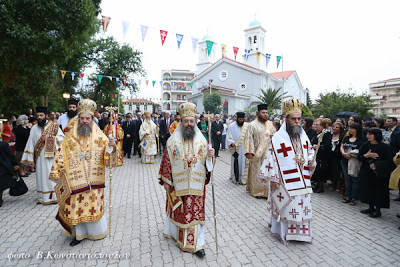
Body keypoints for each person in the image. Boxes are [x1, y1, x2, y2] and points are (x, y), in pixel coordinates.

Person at [49, 99, 117, 246]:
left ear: (93, 119)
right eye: (82, 118)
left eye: (88, 118)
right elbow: (61, 155)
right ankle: (78, 235)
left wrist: (112, 148)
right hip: (75, 181)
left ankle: (96, 232)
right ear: (78, 119)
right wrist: (57, 172)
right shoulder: (69, 138)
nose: (85, 121)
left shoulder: (101, 137)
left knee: (93, 205)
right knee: (76, 207)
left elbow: (109, 161)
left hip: (94, 181)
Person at [159, 102, 214, 257]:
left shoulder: (202, 140)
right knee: (180, 211)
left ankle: (197, 244)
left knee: (195, 213)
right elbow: (167, 161)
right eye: (186, 121)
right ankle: (176, 236)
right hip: (179, 185)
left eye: (191, 121)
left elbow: (208, 164)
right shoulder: (172, 141)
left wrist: (210, 157)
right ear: (181, 121)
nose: (189, 124)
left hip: (197, 186)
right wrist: (166, 180)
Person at [258, 99, 315, 244]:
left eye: (299, 119)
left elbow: (309, 152)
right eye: (293, 119)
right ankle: (283, 232)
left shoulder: (304, 136)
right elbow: (271, 158)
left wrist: (311, 160)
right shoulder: (277, 138)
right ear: (286, 119)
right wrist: (274, 179)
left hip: (302, 180)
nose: (297, 122)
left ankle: (300, 234)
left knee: (300, 207)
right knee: (286, 207)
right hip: (284, 180)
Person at [21, 107, 64, 204]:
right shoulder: (34, 128)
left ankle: (54, 197)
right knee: (41, 177)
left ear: (46, 116)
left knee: (51, 176)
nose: (39, 117)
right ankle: (42, 197)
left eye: (41, 115)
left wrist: (50, 138)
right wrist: (30, 160)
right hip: (40, 159)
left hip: (51, 158)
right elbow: (30, 143)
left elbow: (62, 138)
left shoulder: (54, 126)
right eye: (38, 116)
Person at [359, 128, 394, 218]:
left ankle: (378, 210)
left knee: (378, 191)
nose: (368, 136)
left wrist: (376, 165)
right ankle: (370, 207)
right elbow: (360, 157)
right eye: (367, 134)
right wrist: (367, 155)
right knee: (368, 190)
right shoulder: (365, 145)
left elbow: (389, 160)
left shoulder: (384, 147)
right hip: (367, 171)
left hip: (379, 173)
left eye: (370, 134)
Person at [244, 104, 276, 198]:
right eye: (263, 113)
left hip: (269, 153)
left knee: (267, 172)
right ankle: (257, 192)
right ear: (258, 113)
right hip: (257, 153)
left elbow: (275, 133)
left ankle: (267, 192)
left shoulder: (270, 124)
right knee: (257, 172)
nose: (265, 114)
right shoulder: (252, 125)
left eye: (266, 113)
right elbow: (248, 139)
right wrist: (250, 152)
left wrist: (274, 136)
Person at [340, 123, 366, 205]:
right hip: (345, 161)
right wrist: (344, 153)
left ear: (356, 129)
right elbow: (342, 145)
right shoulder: (347, 138)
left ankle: (354, 197)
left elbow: (362, 150)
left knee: (354, 179)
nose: (349, 130)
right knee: (347, 179)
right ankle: (348, 195)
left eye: (351, 128)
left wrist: (352, 154)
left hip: (355, 161)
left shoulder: (362, 139)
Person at [226, 112, 249, 184]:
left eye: (242, 119)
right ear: (237, 119)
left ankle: (243, 179)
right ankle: (235, 178)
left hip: (245, 148)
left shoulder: (247, 126)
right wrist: (231, 142)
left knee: (245, 163)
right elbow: (228, 137)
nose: (241, 120)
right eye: (240, 119)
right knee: (236, 162)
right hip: (236, 148)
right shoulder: (232, 126)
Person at [310, 118, 332, 193]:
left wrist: (318, 147)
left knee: (321, 171)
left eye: (317, 124)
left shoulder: (326, 134)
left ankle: (320, 186)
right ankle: (317, 186)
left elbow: (328, 145)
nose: (315, 126)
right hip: (315, 155)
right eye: (314, 124)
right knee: (317, 171)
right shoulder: (315, 133)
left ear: (322, 126)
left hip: (323, 156)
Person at [0, 141, 20, 207]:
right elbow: (10, 155)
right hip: (3, 168)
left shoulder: (3, 144)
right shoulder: (3, 144)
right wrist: (15, 164)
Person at [330, 122, 344, 192]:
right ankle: (332, 184)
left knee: (338, 171)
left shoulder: (341, 136)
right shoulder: (330, 135)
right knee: (331, 170)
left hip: (338, 156)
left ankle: (338, 186)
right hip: (331, 155)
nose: (334, 128)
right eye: (334, 127)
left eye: (337, 127)